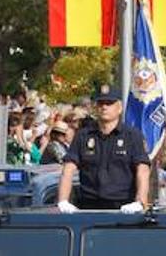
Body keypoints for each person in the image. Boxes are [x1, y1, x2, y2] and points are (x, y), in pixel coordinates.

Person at [56, 84, 150, 212]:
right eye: (100, 103)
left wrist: (140, 201)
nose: (104, 107)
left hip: (123, 208)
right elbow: (68, 169)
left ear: (119, 107)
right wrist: (63, 201)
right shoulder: (83, 135)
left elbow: (143, 170)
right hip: (89, 207)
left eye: (109, 103)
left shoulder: (132, 136)